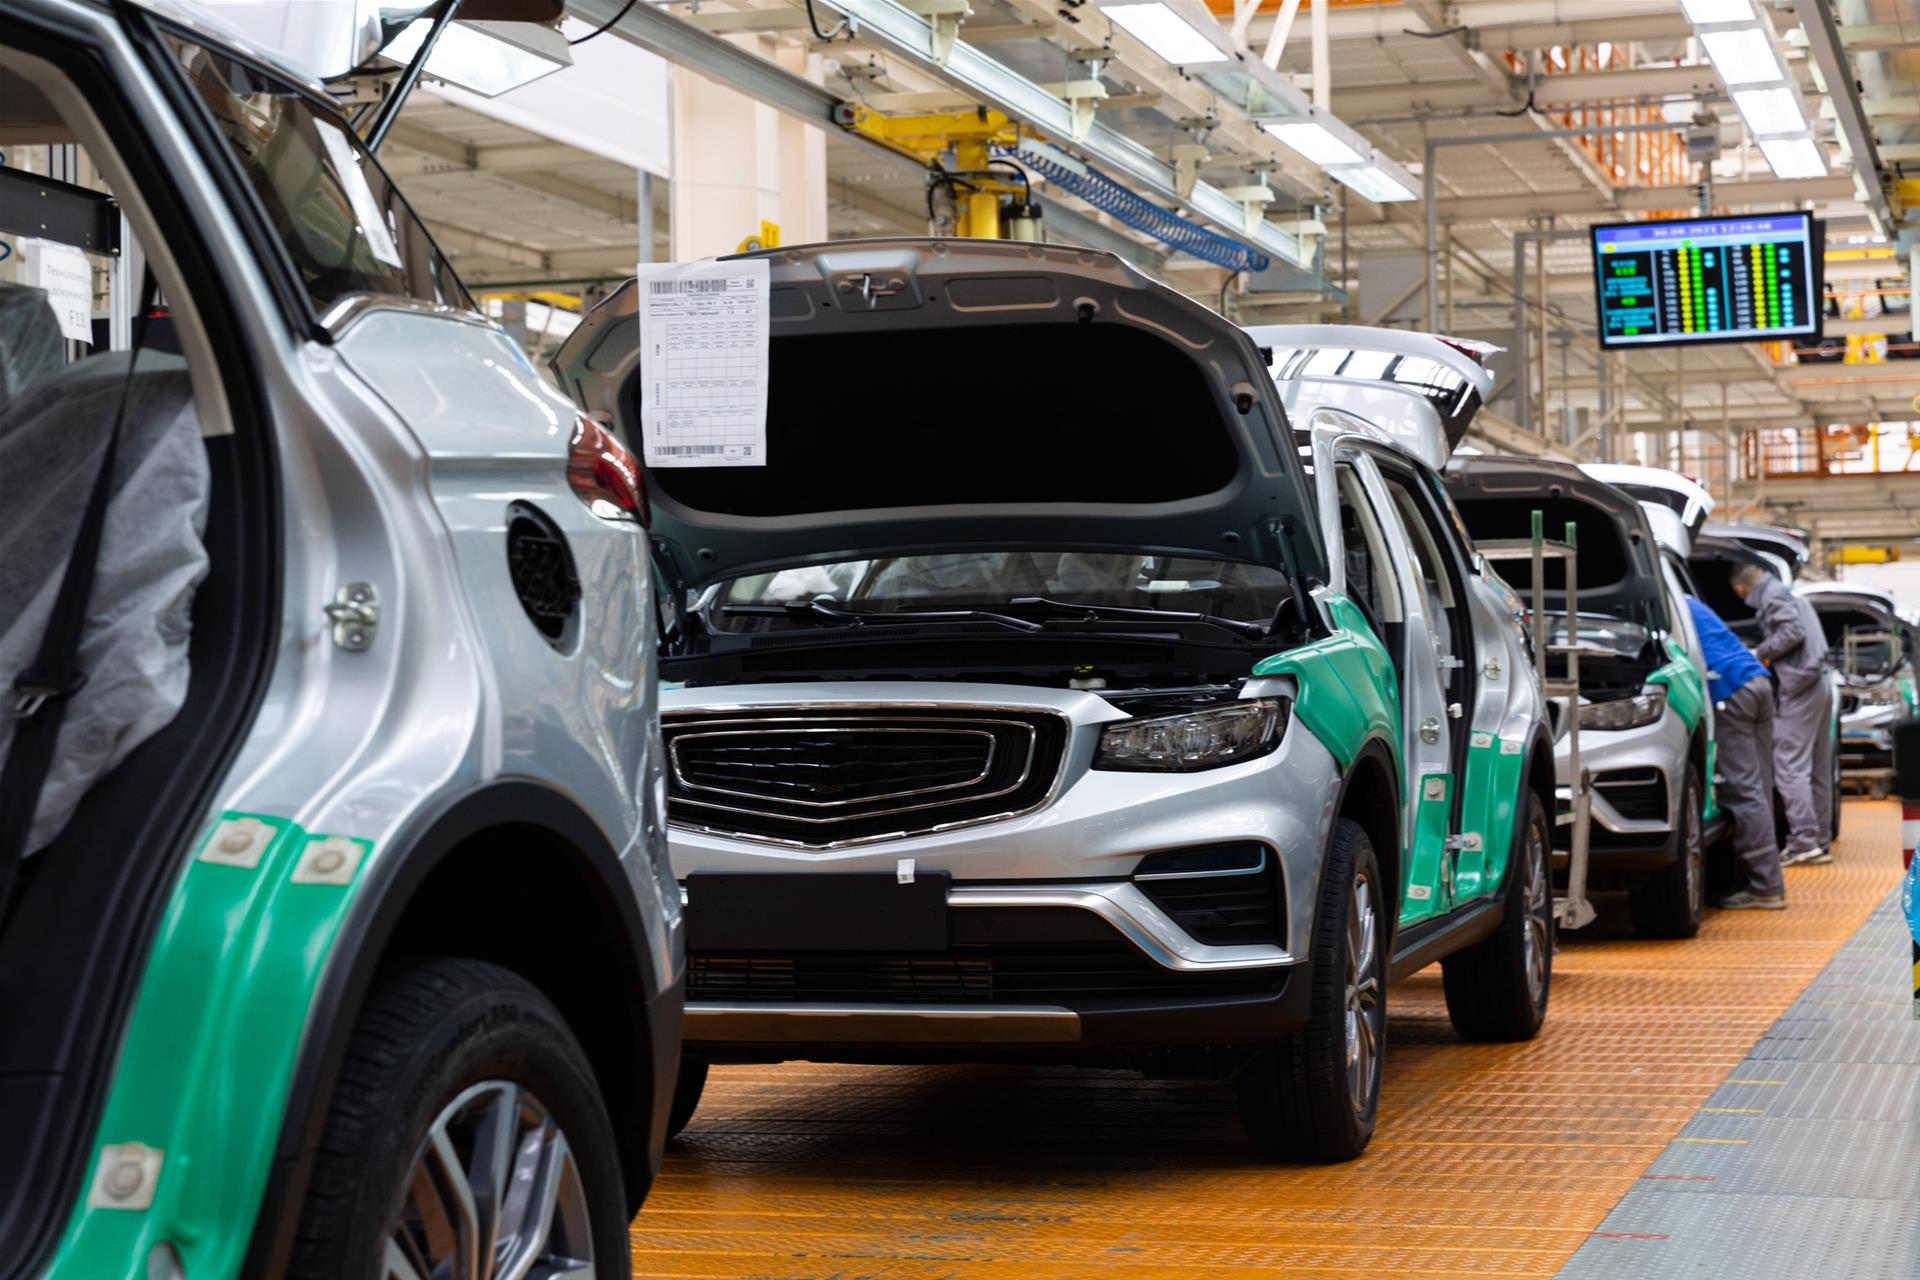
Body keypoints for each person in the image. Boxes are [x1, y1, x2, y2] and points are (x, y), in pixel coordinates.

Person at [1731, 562, 1834, 865]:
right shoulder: (1788, 592)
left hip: (1800, 685)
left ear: (1741, 589)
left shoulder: (1771, 595)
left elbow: (1792, 631)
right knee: (1816, 767)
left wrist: (1759, 653)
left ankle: (1804, 841)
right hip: (1818, 681)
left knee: (1789, 765)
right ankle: (1819, 839)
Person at [1686, 594, 1785, 909]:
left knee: (1743, 791)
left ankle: (1765, 888)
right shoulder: (1689, 600)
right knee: (1759, 788)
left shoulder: (1663, 598)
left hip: (1730, 689)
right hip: (1757, 681)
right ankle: (1758, 880)